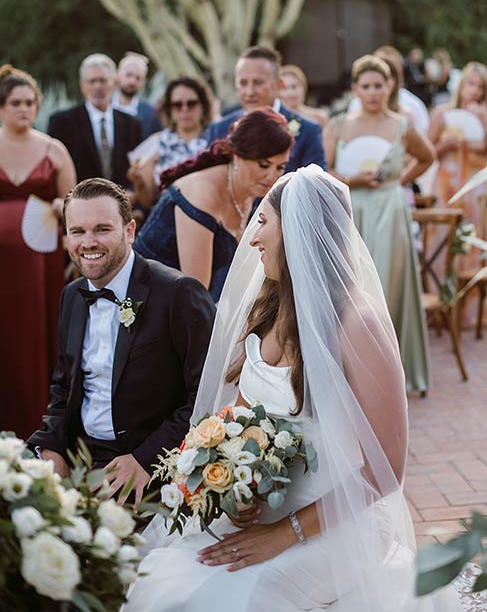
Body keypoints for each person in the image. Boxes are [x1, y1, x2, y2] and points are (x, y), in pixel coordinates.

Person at [125, 165, 460, 612]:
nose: (253, 237)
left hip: (338, 519)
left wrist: (285, 535)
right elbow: (238, 419)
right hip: (269, 507)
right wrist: (239, 492)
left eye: (263, 222)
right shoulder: (269, 304)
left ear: (301, 230)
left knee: (229, 595)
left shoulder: (358, 324)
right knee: (166, 578)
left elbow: (386, 471)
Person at [28, 178, 215, 507]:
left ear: (130, 231)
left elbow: (208, 394)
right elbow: (64, 386)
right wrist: (52, 446)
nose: (88, 242)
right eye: (77, 231)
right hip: (80, 460)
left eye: (102, 229)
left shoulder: (178, 294)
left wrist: (146, 459)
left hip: (153, 471)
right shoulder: (72, 295)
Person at [324, 55, 434, 393]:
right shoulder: (339, 125)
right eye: (366, 86)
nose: (372, 92)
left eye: (379, 85)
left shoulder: (403, 125)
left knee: (386, 288)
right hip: (351, 208)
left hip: (389, 210)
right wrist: (352, 179)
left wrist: (398, 182)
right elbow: (324, 169)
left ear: (390, 87)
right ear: (356, 88)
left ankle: (391, 373)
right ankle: (352, 369)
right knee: (349, 287)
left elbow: (428, 156)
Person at [134, 108, 293, 302]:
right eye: (263, 164)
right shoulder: (201, 194)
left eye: (280, 167)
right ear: (237, 156)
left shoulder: (252, 189)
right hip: (152, 304)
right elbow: (195, 293)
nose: (272, 176)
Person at [0, 64, 76, 439]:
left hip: (38, 263)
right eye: (16, 103)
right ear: (2, 107)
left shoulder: (53, 149)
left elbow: (74, 202)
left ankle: (38, 423)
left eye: (30, 102)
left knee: (34, 334)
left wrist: (62, 207)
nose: (24, 109)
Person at [428, 61, 487, 322]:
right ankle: (445, 311)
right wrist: (443, 146)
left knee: (478, 246)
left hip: (479, 191)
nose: (475, 91)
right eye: (471, 84)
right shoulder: (443, 114)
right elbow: (426, 154)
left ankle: (476, 315)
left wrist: (484, 120)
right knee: (443, 246)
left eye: (481, 86)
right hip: (448, 189)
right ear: (461, 85)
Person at [205, 46, 326, 172]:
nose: (249, 92)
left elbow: (315, 188)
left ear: (279, 85)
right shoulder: (219, 130)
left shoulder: (308, 131)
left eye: (258, 83)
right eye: (243, 83)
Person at [48, 54, 143, 188]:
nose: (98, 86)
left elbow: (137, 170)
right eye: (92, 81)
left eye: (103, 80)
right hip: (79, 202)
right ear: (82, 86)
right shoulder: (62, 123)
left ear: (114, 83)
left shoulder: (132, 124)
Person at [128, 76, 213, 209]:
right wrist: (139, 183)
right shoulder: (156, 143)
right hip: (166, 220)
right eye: (177, 105)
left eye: (191, 103)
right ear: (169, 109)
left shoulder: (216, 138)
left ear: (203, 105)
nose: (184, 109)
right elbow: (148, 200)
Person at [112, 52, 162, 139]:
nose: (132, 81)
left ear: (143, 82)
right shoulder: (103, 107)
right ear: (117, 75)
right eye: (128, 75)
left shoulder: (151, 113)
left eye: (138, 78)